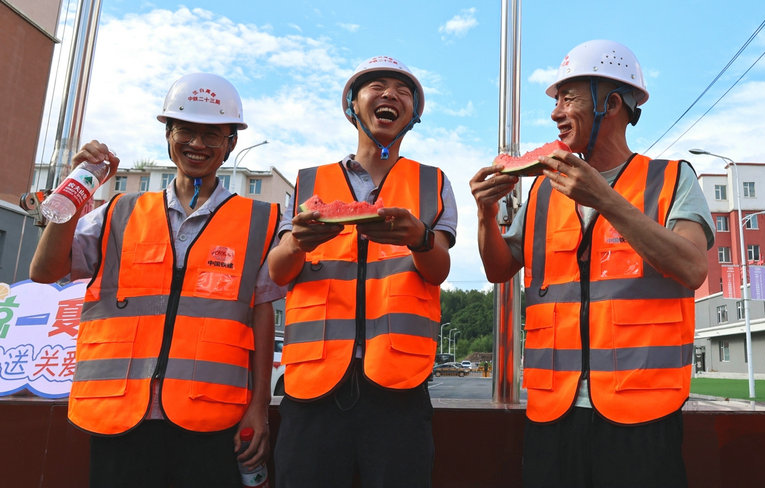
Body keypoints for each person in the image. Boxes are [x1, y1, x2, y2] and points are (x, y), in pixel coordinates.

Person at [469, 40, 715, 487]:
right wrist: (486, 214)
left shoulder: (672, 179)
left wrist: (606, 199)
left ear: (612, 104)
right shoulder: (543, 190)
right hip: (553, 411)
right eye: (556, 101)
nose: (555, 112)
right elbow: (498, 269)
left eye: (569, 98)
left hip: (642, 414)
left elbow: (693, 268)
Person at [29, 72, 283, 488]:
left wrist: (259, 406)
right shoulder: (119, 212)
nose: (197, 144)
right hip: (120, 416)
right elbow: (44, 271)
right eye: (186, 130)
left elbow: (261, 314)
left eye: (212, 134)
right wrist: (73, 190)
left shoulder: (260, 221)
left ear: (230, 144)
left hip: (210, 418)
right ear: (168, 135)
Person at [268, 55, 457, 488]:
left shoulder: (433, 183)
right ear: (353, 105)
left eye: (403, 90)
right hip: (313, 385)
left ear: (414, 114)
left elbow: (438, 270)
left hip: (398, 388)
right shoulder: (308, 182)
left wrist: (420, 238)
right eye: (377, 86)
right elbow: (278, 273)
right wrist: (296, 242)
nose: (390, 94)